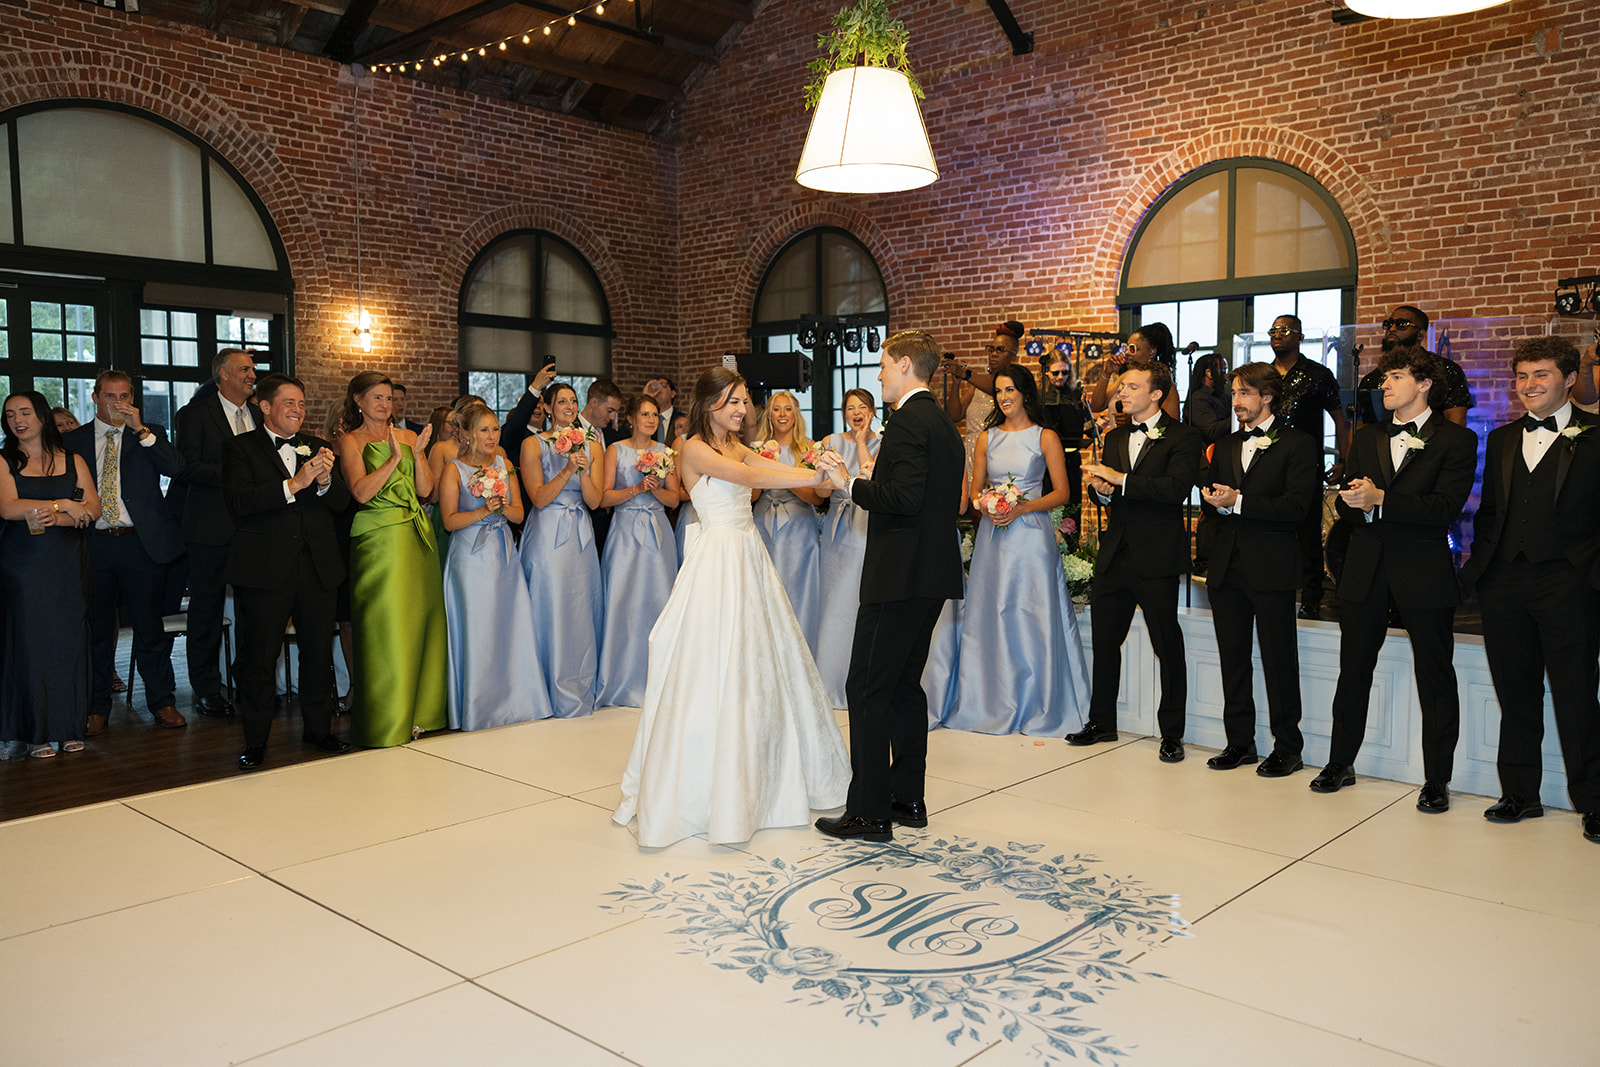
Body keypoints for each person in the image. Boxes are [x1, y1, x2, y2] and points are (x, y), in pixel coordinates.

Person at [614, 367, 849, 847]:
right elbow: (746, 475)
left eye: (745, 401)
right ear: (710, 404)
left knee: (764, 662)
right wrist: (814, 471)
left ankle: (768, 779)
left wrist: (819, 475)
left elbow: (773, 470)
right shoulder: (694, 446)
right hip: (719, 556)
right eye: (734, 401)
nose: (744, 410)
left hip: (749, 554)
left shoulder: (734, 443)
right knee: (713, 661)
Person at [815, 330, 966, 842]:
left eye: (882, 365)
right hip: (930, 574)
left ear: (905, 365)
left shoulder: (906, 422)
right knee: (902, 687)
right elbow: (929, 497)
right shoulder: (941, 423)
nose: (878, 375)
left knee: (867, 687)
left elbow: (900, 498)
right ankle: (907, 799)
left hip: (898, 576)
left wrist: (848, 484)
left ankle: (870, 811)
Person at [1312, 348, 1477, 811]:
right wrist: (1354, 502)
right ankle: (1339, 762)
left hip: (1423, 571)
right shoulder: (1366, 439)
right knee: (1354, 671)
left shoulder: (1456, 441)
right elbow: (1348, 504)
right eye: (1384, 379)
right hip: (1366, 568)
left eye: (1395, 377)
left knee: (1436, 676)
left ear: (1424, 384)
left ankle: (1437, 780)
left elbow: (1445, 509)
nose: (1384, 386)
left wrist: (1381, 499)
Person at [1461, 336, 1600, 843]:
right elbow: (1492, 513)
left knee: (1577, 695)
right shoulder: (1500, 439)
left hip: (1570, 583)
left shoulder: (1596, 435)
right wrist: (1485, 566)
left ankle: (1594, 802)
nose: (1528, 385)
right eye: (1521, 376)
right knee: (1515, 694)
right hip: (1505, 582)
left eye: (1540, 374)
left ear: (1568, 379)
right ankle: (1520, 794)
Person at [1069, 361, 1202, 761]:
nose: (1121, 393)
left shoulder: (1184, 436)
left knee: (1167, 643)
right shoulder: (1115, 436)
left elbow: (1174, 489)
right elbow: (1107, 493)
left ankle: (1172, 733)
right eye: (1121, 387)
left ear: (1156, 393)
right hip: (1116, 553)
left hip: (1157, 554)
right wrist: (1103, 491)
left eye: (1131, 386)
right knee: (1106, 642)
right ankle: (1101, 722)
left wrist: (1120, 479)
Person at [949, 365, 1089, 735]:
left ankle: (1041, 701)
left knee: (1033, 613)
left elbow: (1062, 493)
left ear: (1025, 393)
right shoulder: (985, 438)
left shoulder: (1045, 437)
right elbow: (975, 490)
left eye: (1010, 389)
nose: (1004, 397)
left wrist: (1021, 506)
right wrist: (990, 503)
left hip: (1031, 538)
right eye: (998, 391)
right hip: (995, 539)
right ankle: (992, 699)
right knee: (994, 612)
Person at [1197, 364, 1321, 776]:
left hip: (1272, 566)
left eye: (1245, 393)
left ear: (1268, 396)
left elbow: (1298, 508)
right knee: (1232, 657)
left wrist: (1239, 501)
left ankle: (1288, 746)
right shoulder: (1227, 443)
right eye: (1234, 393)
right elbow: (1213, 504)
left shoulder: (1299, 444)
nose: (1235, 401)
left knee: (1279, 659)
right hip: (1227, 568)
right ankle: (1240, 742)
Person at [223, 373, 351, 770]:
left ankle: (318, 731)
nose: (298, 410)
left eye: (301, 403)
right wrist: (295, 483)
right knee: (259, 659)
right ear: (265, 406)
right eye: (289, 403)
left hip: (317, 568)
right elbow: (241, 502)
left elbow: (342, 504)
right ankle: (256, 740)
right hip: (265, 570)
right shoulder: (238, 448)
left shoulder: (319, 447)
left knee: (316, 656)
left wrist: (327, 482)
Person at [63, 371, 187, 734]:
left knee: (149, 628)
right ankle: (97, 707)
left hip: (140, 544)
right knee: (98, 630)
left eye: (124, 396)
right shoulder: (73, 440)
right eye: (110, 396)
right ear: (95, 397)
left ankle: (162, 702)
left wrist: (142, 431)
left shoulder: (150, 434)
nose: (117, 403)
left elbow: (177, 468)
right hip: (93, 543)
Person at [336, 371, 448, 747]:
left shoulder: (409, 436)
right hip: (379, 540)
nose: (386, 405)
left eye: (389, 398)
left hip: (416, 537)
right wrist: (392, 461)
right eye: (378, 398)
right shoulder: (350, 441)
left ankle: (422, 714)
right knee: (385, 627)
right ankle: (386, 718)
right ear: (359, 401)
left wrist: (416, 456)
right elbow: (361, 493)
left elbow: (426, 490)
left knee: (420, 623)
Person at [440, 402, 553, 730]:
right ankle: (479, 708)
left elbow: (520, 514)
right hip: (470, 557)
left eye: (495, 429)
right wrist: (482, 512)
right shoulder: (454, 470)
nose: (492, 436)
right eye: (484, 430)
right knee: (478, 628)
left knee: (509, 625)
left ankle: (518, 701)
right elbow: (448, 521)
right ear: (467, 434)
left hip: (503, 554)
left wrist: (501, 508)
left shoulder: (504, 464)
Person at [0, 392, 99, 758]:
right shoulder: (4, 459)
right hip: (23, 564)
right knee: (31, 642)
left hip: (67, 561)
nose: (17, 420)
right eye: (10, 415)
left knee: (68, 640)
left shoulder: (72, 459)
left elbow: (93, 508)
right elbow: (9, 507)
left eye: (25, 412)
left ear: (41, 415)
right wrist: (64, 506)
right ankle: (35, 731)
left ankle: (67, 725)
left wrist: (58, 515)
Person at [174, 347, 258, 719]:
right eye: (244, 369)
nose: (251, 375)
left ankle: (247, 683)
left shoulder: (258, 413)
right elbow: (187, 468)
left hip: (253, 530)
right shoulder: (195, 415)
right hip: (210, 528)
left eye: (253, 369)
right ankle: (206, 689)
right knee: (206, 613)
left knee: (252, 611)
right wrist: (237, 473)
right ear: (223, 374)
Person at [519, 380, 604, 717]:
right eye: (562, 402)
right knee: (549, 606)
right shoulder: (532, 444)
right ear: (549, 408)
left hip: (580, 533)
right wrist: (566, 467)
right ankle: (544, 689)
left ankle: (580, 685)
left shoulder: (593, 445)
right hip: (548, 532)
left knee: (580, 608)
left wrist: (581, 470)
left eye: (573, 401)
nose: (569, 407)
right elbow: (538, 497)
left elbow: (596, 501)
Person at [593, 394, 680, 709]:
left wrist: (656, 490)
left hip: (657, 533)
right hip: (625, 533)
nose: (651, 420)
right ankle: (621, 681)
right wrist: (636, 489)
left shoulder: (665, 453)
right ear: (631, 418)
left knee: (659, 602)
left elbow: (674, 500)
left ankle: (662, 682)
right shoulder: (615, 451)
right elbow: (603, 498)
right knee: (624, 603)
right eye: (645, 414)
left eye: (655, 415)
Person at [1265, 315, 1349, 620]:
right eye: (1273, 330)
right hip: (1267, 464)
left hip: (1305, 466)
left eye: (1284, 330)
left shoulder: (1318, 375)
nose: (1277, 335)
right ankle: (1272, 590)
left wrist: (1343, 459)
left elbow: (1341, 419)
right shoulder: (1263, 375)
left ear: (1300, 336)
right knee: (1271, 529)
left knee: (1308, 533)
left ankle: (1312, 596)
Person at [814, 389, 881, 708]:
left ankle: (861, 677)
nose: (857, 412)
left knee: (861, 599)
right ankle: (830, 679)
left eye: (863, 407)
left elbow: (873, 480)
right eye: (850, 408)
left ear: (872, 412)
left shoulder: (883, 443)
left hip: (868, 526)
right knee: (836, 600)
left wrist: (860, 441)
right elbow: (819, 486)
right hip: (839, 527)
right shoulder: (830, 441)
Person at [751, 390, 825, 656]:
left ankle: (800, 655)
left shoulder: (809, 448)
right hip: (763, 524)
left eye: (788, 409)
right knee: (764, 593)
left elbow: (816, 499)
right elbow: (751, 495)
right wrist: (763, 469)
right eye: (776, 409)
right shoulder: (757, 448)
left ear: (796, 414)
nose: (782, 414)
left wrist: (781, 473)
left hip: (798, 529)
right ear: (769, 415)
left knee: (798, 592)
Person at [1353, 307, 1474, 429]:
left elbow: (1456, 423)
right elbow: (1359, 429)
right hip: (1381, 446)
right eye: (1388, 324)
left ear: (1420, 334)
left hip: (1434, 445)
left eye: (1402, 324)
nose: (1392, 329)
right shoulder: (1372, 379)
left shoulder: (1445, 370)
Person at [939, 320, 1023, 471]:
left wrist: (964, 373)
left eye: (1000, 350)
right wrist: (956, 383)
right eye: (991, 349)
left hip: (998, 450)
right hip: (971, 450)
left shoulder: (1014, 384)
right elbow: (954, 415)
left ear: (1013, 357)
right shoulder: (975, 385)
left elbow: (995, 387)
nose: (994, 354)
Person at [1186, 351, 1231, 577]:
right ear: (1207, 372)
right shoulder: (1199, 399)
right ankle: (1203, 564)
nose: (1225, 372)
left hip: (1219, 459)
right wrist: (1237, 417)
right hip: (1204, 461)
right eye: (1221, 368)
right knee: (1212, 511)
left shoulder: (1220, 396)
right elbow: (1211, 430)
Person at [1087, 323, 1182, 423]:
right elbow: (1096, 406)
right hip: (1119, 438)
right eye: (1126, 348)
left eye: (1133, 349)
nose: (1127, 353)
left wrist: (1135, 420)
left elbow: (1172, 424)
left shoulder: (1164, 384)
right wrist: (1106, 373)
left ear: (1152, 352)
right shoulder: (1124, 378)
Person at [1039, 354, 1088, 508]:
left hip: (1071, 456)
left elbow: (1083, 425)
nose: (1060, 377)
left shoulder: (1075, 394)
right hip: (1045, 460)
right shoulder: (1039, 395)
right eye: (1055, 373)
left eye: (1065, 372)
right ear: (1046, 372)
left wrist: (1094, 426)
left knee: (1072, 504)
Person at [642, 376, 677, 444]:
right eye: (655, 386)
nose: (658, 390)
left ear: (672, 393)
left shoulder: (682, 418)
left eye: (663, 385)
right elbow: (624, 434)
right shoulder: (644, 418)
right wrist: (645, 397)